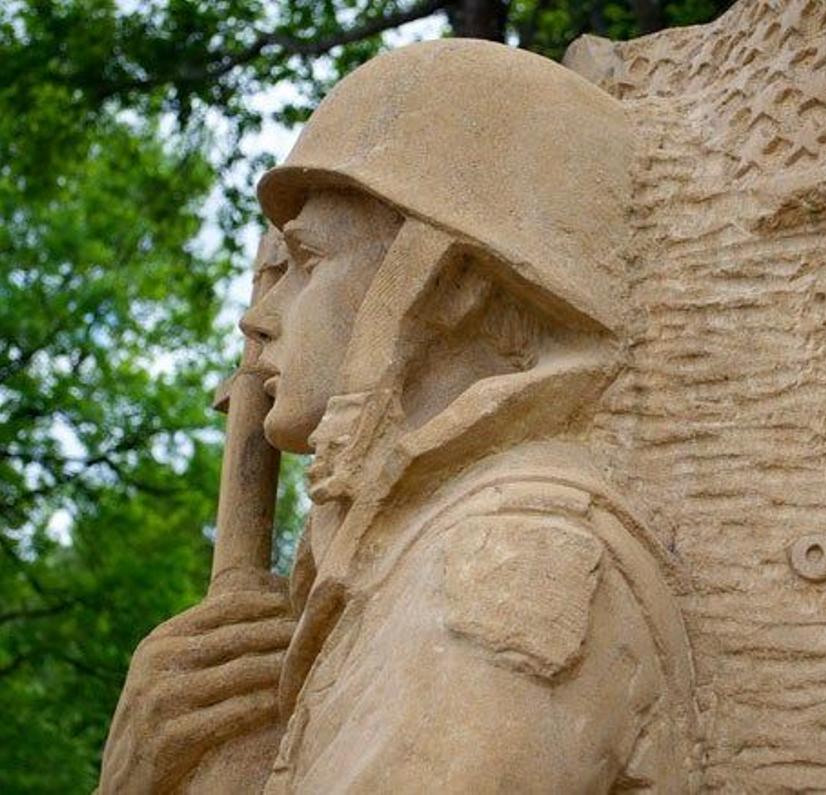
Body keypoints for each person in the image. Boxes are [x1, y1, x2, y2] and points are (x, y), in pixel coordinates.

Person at [100, 39, 697, 793]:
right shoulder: (403, 562)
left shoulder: (498, 571)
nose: (258, 321)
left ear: (450, 286)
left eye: (308, 263)